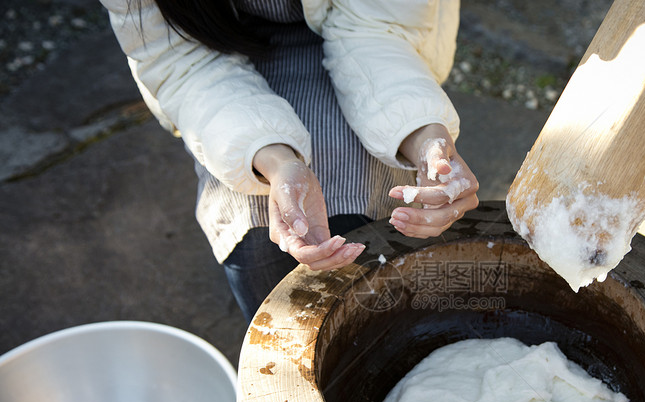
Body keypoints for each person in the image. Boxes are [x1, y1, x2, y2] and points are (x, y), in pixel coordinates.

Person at [100, 0, 480, 321]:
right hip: (213, 56)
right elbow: (178, 61)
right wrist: (277, 162)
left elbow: (381, 27)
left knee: (368, 216)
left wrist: (424, 135)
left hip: (376, 43)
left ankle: (398, 328)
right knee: (257, 240)